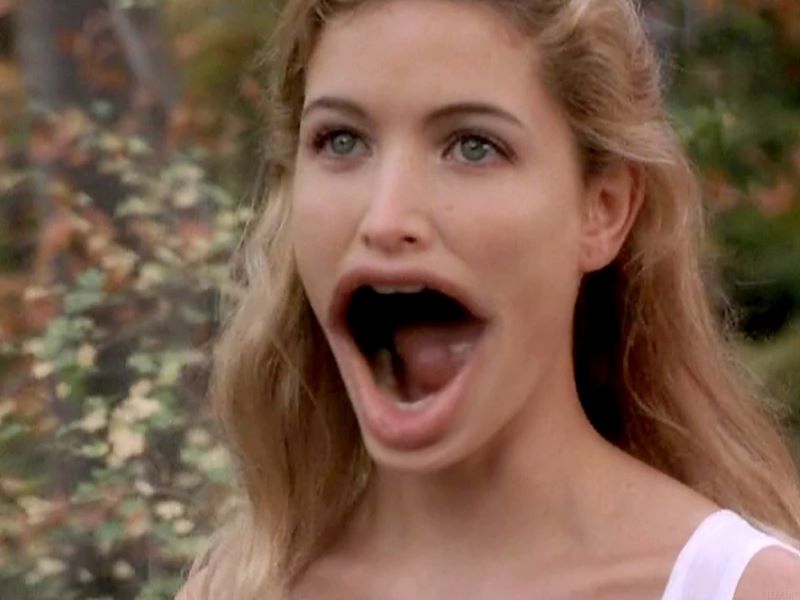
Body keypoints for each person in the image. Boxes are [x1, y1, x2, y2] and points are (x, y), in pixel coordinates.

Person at [178, 0, 800, 597]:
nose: (386, 218)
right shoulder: (235, 592)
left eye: (473, 146)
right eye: (341, 140)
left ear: (603, 210)